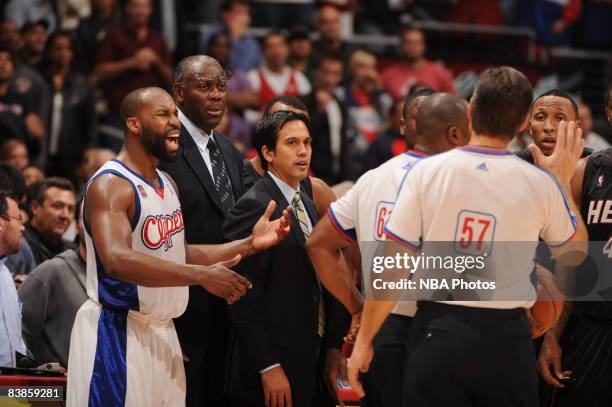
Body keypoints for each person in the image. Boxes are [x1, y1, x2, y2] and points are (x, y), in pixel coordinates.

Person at [349, 66, 588, 407]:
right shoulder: (541, 183)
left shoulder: (426, 172)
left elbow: (392, 264)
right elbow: (575, 256)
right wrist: (563, 183)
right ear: (523, 122)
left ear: (471, 110)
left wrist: (364, 342)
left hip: (439, 331)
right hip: (509, 338)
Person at [66, 86, 292, 406]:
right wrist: (201, 276)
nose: (174, 122)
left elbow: (179, 253)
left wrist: (250, 244)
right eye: (163, 114)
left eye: (175, 114)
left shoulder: (166, 183)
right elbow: (116, 260)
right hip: (117, 333)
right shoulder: (111, 184)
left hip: (164, 333)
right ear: (134, 125)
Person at [307, 92, 470, 407]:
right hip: (442, 326)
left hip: (381, 327)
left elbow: (318, 244)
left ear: (408, 128)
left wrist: (358, 307)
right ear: (454, 131)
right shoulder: (462, 181)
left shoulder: (372, 179)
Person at [223, 110, 347, 407]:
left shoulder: (304, 199)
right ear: (267, 152)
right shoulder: (254, 205)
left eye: (307, 142)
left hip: (308, 354)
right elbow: (240, 295)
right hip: (272, 364)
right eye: (291, 143)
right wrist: (267, 365)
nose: (303, 151)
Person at [159, 55, 247, 407]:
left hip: (227, 311)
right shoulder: (162, 145)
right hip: (178, 313)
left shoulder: (227, 149)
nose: (216, 96)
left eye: (222, 87)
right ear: (179, 93)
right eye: (205, 87)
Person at [537, 82, 612, 406]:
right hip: (592, 322)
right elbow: (568, 261)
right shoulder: (586, 171)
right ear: (609, 113)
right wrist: (552, 336)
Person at [19, 201, 88, 367]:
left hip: (104, 386)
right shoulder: (52, 271)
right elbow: (14, 334)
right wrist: (40, 372)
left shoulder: (124, 277)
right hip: (56, 389)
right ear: (77, 226)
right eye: (91, 217)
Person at [94, 0, 173, 120]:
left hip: (153, 111)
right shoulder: (113, 35)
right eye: (136, 6)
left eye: (145, 7)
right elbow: (100, 71)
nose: (140, 11)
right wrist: (132, 62)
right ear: (126, 8)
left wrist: (156, 60)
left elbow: (170, 77)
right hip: (121, 110)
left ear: (150, 10)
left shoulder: (158, 38)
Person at [40, 31, 97, 181]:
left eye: (67, 48)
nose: (63, 53)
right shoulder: (39, 81)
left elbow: (90, 124)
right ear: (49, 52)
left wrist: (87, 153)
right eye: (58, 48)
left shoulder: (82, 85)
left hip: (71, 157)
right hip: (41, 154)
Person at [300, 55, 354, 184]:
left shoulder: (340, 104)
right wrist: (319, 111)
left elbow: (343, 142)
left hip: (338, 172)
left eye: (335, 73)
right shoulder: (304, 102)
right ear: (317, 73)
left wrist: (348, 176)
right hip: (311, 173)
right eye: (326, 72)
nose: (329, 78)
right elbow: (305, 137)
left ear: (340, 77)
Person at [382, 26, 456, 100]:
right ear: (401, 45)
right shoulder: (388, 75)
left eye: (417, 43)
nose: (413, 47)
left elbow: (452, 104)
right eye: (408, 42)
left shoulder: (441, 73)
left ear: (424, 46)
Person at [246, 31, 311, 112]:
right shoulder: (253, 77)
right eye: (270, 46)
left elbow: (308, 109)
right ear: (263, 52)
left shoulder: (299, 78)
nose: (276, 51)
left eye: (280, 45)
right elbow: (248, 114)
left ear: (288, 49)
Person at [0, 190, 27, 367]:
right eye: (18, 219)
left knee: (56, 394)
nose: (22, 227)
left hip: (8, 391)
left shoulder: (6, 277)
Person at [23, 177, 77, 265]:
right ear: (35, 207)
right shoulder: (18, 244)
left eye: (71, 209)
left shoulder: (73, 251)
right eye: (57, 206)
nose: (65, 215)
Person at [200, 0, 261, 73]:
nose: (244, 18)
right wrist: (233, 38)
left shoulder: (252, 43)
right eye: (239, 13)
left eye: (247, 13)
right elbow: (210, 65)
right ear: (225, 15)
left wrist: (235, 38)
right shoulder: (210, 35)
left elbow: (243, 71)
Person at [74, 0, 121, 77]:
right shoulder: (84, 25)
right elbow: (80, 56)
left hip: (118, 75)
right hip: (89, 75)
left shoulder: (123, 24)